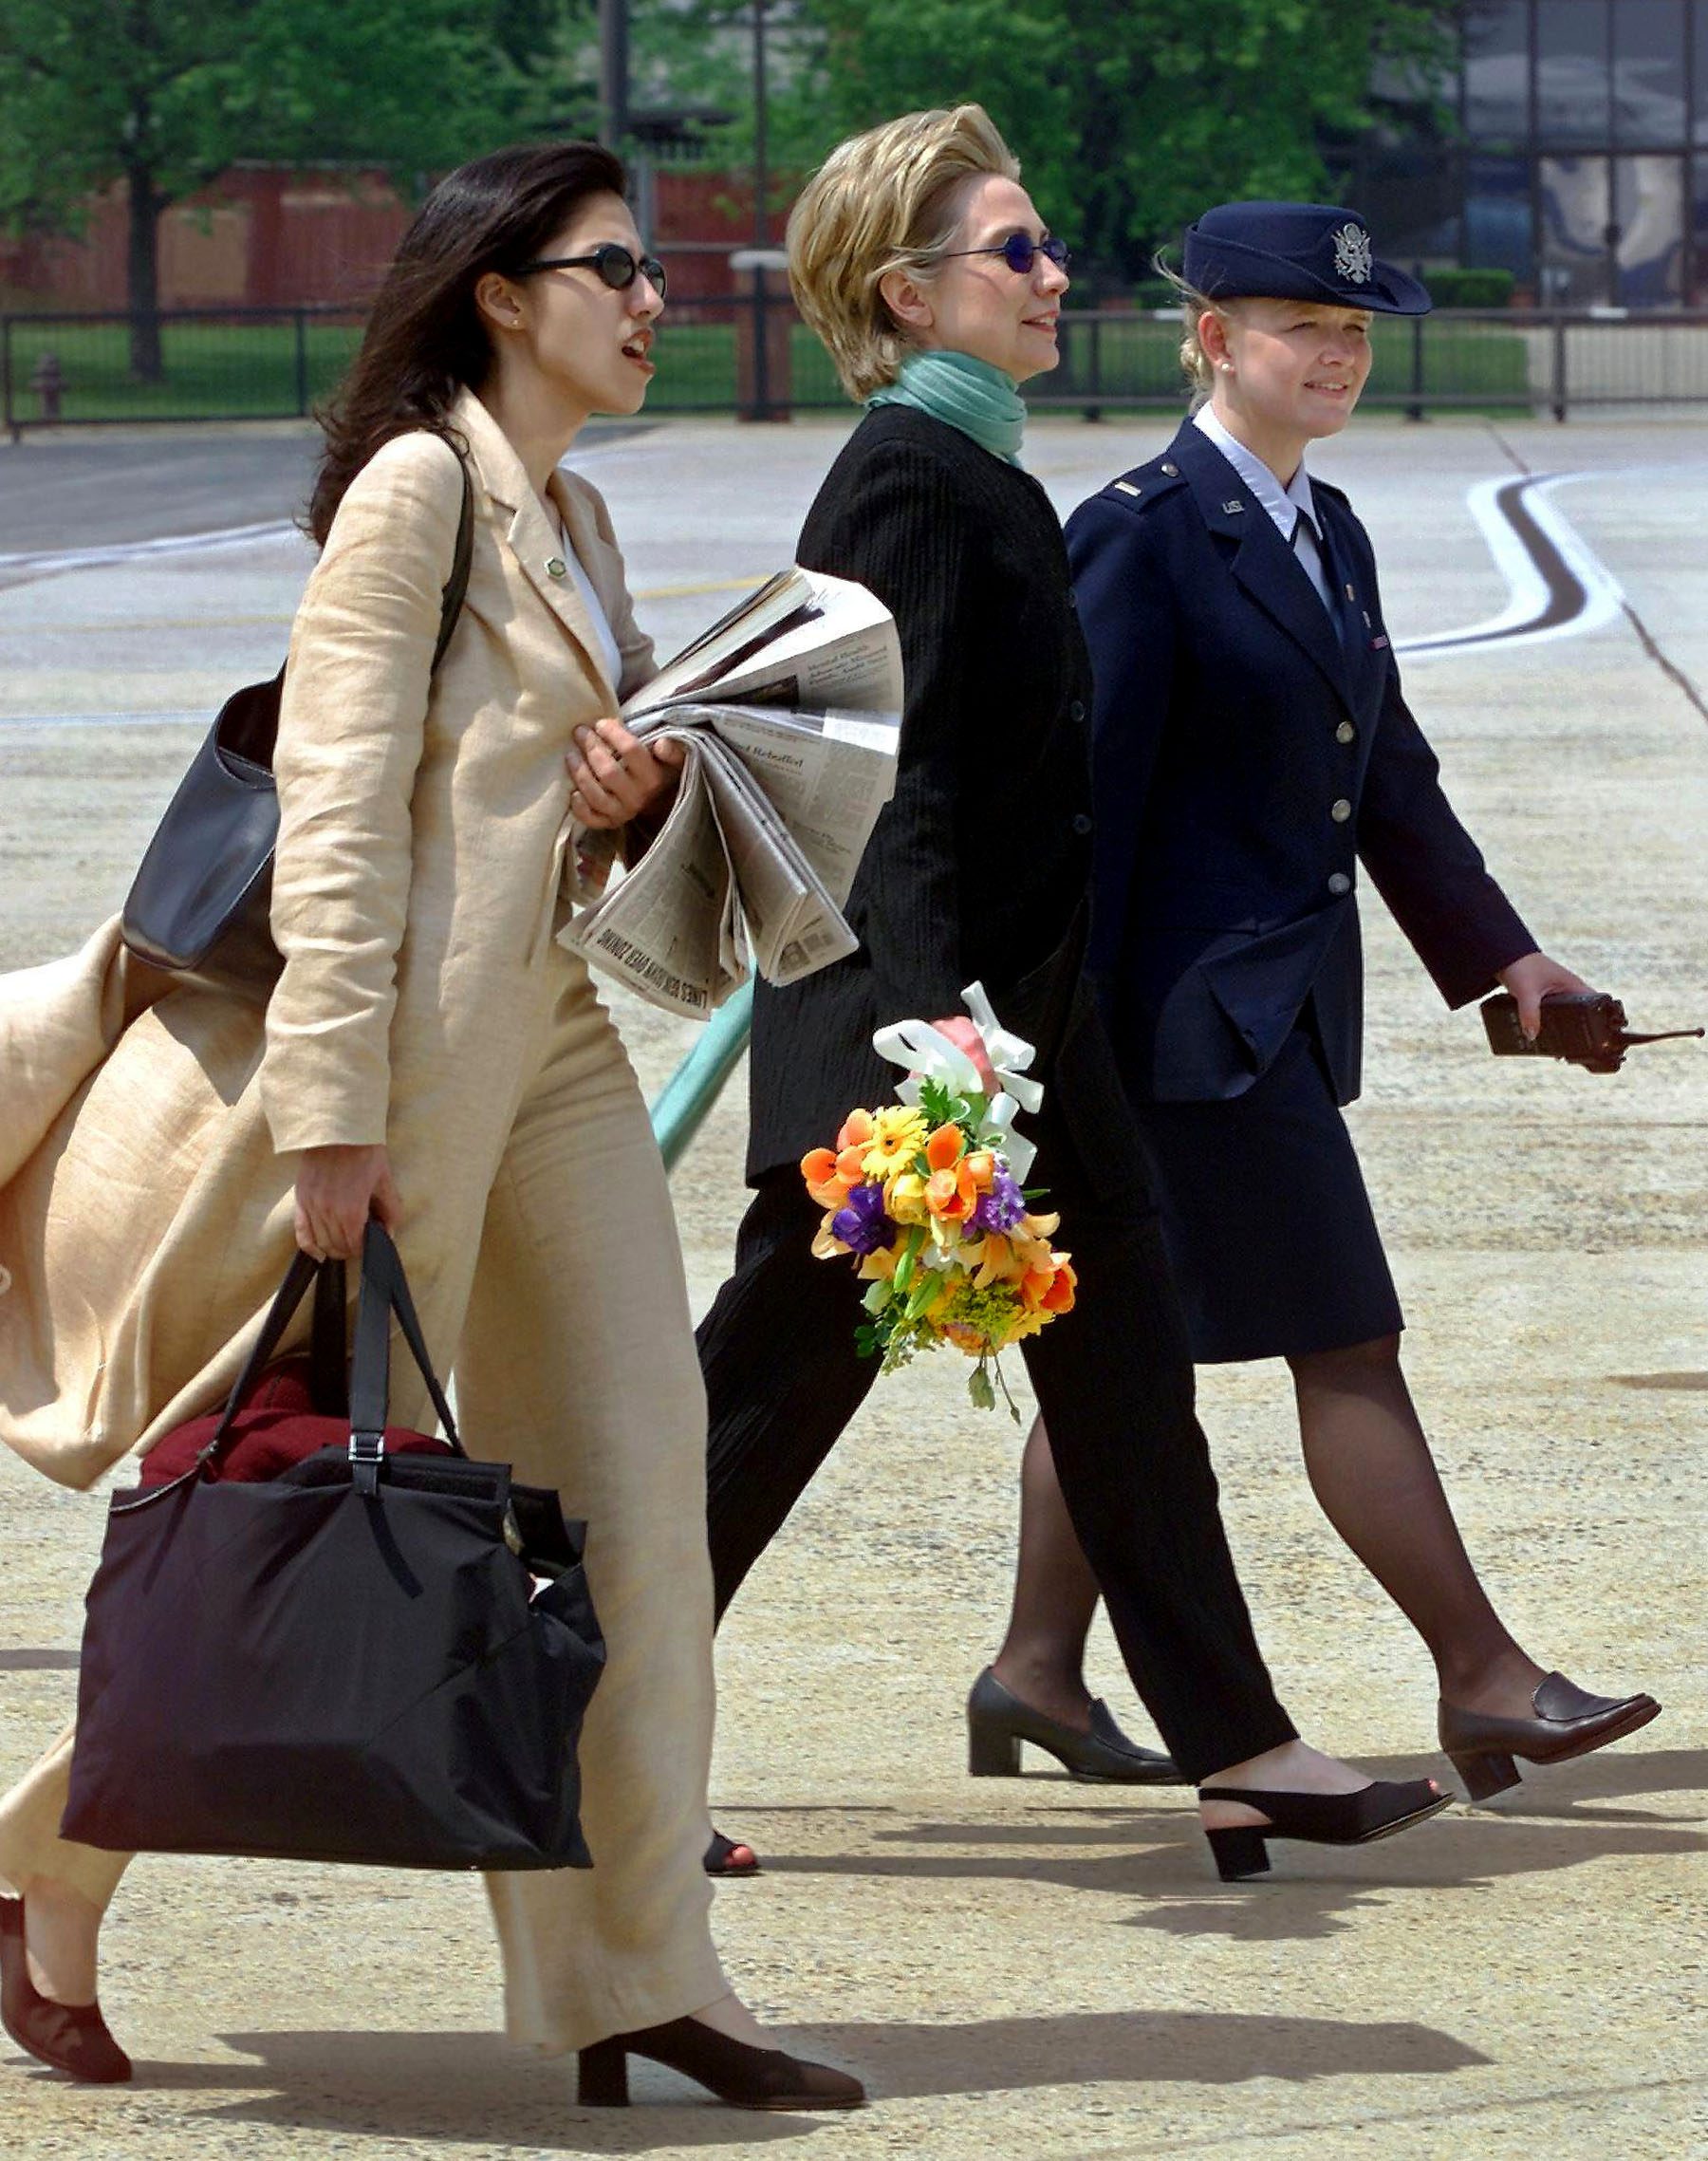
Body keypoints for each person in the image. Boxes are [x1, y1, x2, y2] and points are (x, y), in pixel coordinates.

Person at [0, 140, 862, 2113]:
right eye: (613, 267)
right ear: (500, 289)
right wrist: (327, 1113)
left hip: (544, 1047)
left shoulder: (577, 511)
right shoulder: (417, 491)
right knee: (293, 1519)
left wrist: (627, 800)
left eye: (651, 270)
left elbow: (553, 833)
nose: (653, 298)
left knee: (641, 1501)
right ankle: (44, 1857)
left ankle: (632, 1969)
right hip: (391, 1080)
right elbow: (331, 805)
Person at [697, 107, 1451, 1891]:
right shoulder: (909, 475)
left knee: (1126, 1390)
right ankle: (548, 1709)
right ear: (911, 291)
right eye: (1017, 252)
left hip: (1026, 1040)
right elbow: (902, 795)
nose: (1056, 277)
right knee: (752, 1407)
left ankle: (1245, 1749)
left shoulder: (980, 472)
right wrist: (938, 1045)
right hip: (921, 1052)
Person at [977, 198, 1659, 1805]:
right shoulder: (1142, 533)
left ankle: (1031, 1669)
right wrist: (1052, 1059)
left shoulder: (1326, 526)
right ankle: (1485, 1676)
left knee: (1117, 1353)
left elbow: (1391, 782)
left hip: (1266, 1016)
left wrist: (1507, 956)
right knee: (1348, 1340)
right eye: (1302, 330)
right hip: (1174, 1035)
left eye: (1354, 334)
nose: (1336, 356)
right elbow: (1083, 816)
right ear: (1212, 339)